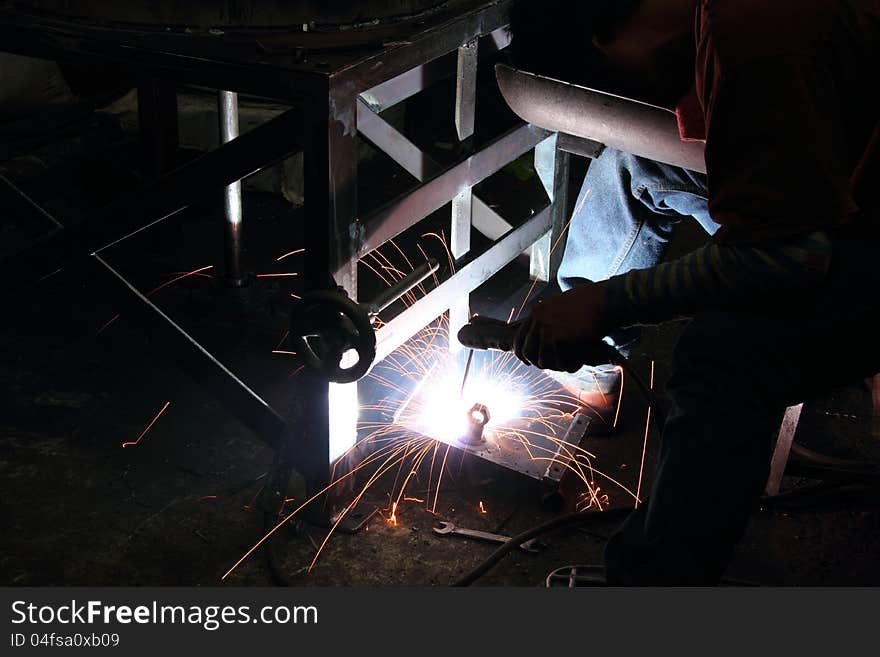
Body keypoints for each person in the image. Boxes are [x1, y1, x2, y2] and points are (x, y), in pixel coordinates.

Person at [507, 0, 880, 584]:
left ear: (603, 39)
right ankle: (584, 376)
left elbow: (789, 258)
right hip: (840, 173)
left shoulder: (756, 32)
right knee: (637, 161)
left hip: (862, 241)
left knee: (722, 356)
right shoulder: (720, 21)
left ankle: (653, 591)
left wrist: (611, 300)